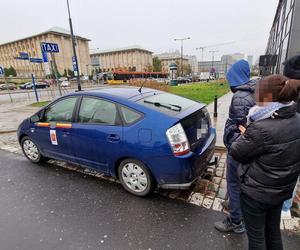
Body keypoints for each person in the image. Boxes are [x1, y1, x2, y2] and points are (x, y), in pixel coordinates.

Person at [230, 75, 300, 250]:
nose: (255, 97)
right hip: (282, 189)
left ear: (267, 98)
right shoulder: (297, 118)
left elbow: (237, 152)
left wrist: (246, 134)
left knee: (256, 238)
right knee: (273, 232)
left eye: (258, 93)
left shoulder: (261, 127)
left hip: (257, 193)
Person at [214, 59, 256, 233]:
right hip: (251, 148)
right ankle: (234, 205)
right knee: (240, 183)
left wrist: (233, 144)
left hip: (238, 149)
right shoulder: (257, 90)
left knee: (233, 183)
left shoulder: (239, 96)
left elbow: (239, 126)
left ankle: (235, 221)